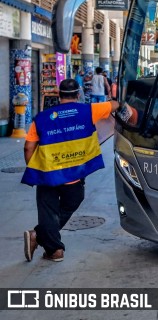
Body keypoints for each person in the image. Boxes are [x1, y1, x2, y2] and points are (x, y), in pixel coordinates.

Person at [21, 78, 118, 262]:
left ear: (59, 95)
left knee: (48, 212)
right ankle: (53, 248)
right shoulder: (88, 110)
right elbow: (115, 105)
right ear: (78, 94)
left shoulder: (42, 118)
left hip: (47, 175)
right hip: (74, 177)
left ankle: (43, 240)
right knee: (70, 204)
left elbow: (28, 147)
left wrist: (34, 169)